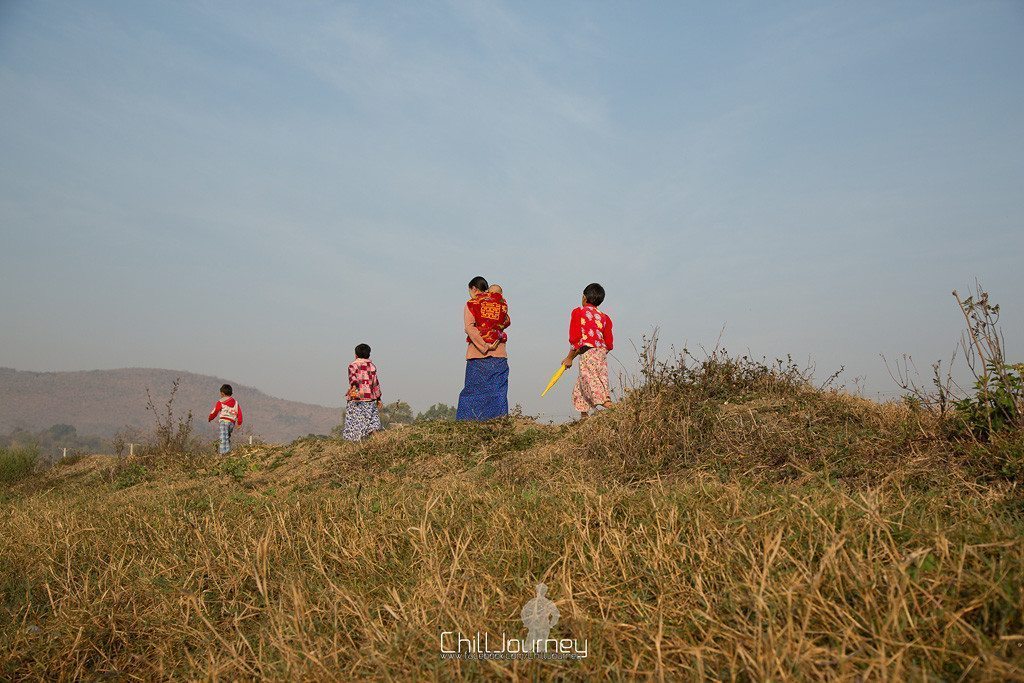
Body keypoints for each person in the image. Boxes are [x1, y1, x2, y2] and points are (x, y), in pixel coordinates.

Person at [457, 276, 510, 420]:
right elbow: (505, 321)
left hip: (477, 355)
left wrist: (484, 346)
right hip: (498, 354)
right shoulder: (500, 304)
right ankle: (498, 422)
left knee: (473, 391)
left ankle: (468, 422)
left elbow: (470, 328)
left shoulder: (471, 304)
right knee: (497, 391)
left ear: (473, 288)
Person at [561, 283, 614, 419]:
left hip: (588, 352)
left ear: (584, 298)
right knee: (585, 382)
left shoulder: (579, 312)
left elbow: (575, 339)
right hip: (600, 351)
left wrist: (569, 358)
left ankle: (609, 405)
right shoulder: (604, 317)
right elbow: (609, 343)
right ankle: (584, 417)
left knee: (590, 379)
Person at [343, 343, 383, 441]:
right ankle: (379, 441)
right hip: (370, 399)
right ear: (368, 355)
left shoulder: (353, 366)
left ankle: (355, 444)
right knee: (372, 421)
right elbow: (375, 384)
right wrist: (378, 398)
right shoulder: (372, 367)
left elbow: (353, 381)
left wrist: (352, 391)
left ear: (355, 355)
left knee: (355, 423)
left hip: (357, 399)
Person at [208, 383, 242, 454]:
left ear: (222, 393)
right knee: (227, 437)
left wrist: (210, 417)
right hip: (232, 423)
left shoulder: (221, 402)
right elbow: (239, 413)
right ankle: (228, 451)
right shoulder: (236, 402)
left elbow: (215, 411)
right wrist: (239, 423)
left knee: (223, 437)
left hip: (224, 421)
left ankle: (223, 453)